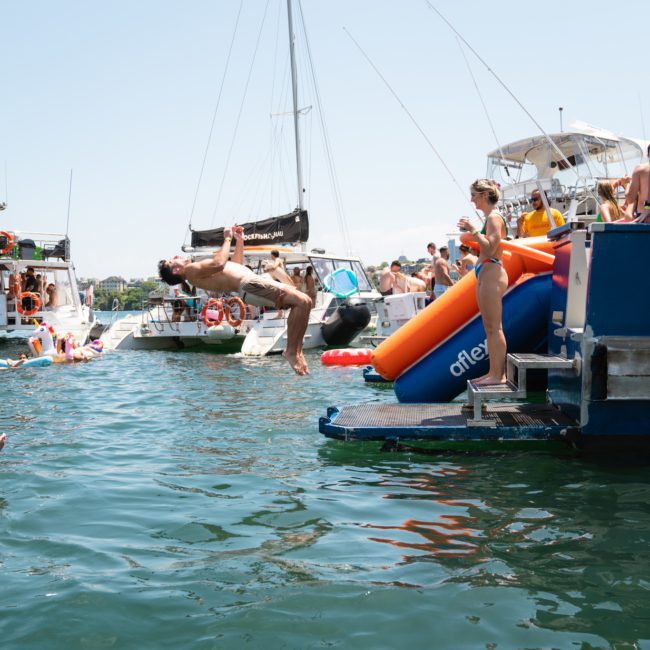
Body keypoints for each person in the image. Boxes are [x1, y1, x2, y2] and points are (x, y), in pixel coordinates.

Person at [159, 225, 312, 375]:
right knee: (300, 301)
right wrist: (227, 237)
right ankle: (291, 351)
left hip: (251, 281)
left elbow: (235, 265)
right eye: (172, 260)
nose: (176, 256)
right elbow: (219, 264)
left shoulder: (194, 270)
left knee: (306, 302)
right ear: (176, 270)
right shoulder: (191, 271)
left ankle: (297, 351)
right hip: (249, 285)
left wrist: (239, 241)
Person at [458, 178, 508, 385]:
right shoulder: (490, 218)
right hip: (486, 272)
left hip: (492, 272)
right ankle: (492, 373)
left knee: (495, 327)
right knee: (489, 327)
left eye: (474, 195)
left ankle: (499, 376)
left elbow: (489, 248)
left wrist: (474, 230)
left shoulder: (495, 218)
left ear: (485, 195)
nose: (472, 200)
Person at [624, 145, 650, 221]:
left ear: (647, 155)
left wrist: (627, 184)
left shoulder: (640, 169)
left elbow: (630, 198)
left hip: (645, 215)